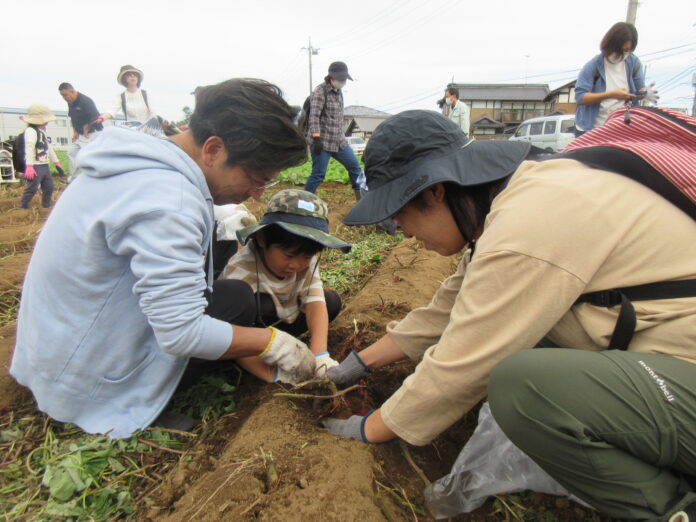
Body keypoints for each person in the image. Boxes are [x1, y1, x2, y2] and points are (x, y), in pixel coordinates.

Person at [322, 110, 696, 521]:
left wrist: (370, 428)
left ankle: (674, 508)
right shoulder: (517, 202)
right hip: (659, 364)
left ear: (436, 192)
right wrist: (358, 364)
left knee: (524, 387)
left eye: (399, 212)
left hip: (681, 376)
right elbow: (447, 311)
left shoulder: (532, 220)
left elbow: (465, 361)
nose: (402, 230)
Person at [11, 79, 314, 439]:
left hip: (54, 349)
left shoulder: (138, 163)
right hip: (84, 378)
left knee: (230, 296)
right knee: (232, 303)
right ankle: (125, 403)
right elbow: (182, 332)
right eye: (256, 178)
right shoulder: (171, 201)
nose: (257, 193)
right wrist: (271, 342)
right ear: (213, 150)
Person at [220, 189, 350, 383]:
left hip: (285, 323)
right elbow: (230, 333)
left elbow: (314, 302)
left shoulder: (305, 261)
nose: (296, 265)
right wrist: (274, 376)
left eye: (306, 257)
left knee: (329, 301)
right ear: (263, 239)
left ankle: (292, 348)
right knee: (252, 301)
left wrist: (320, 356)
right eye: (289, 255)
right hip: (253, 334)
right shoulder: (241, 270)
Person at [575, 22, 646, 135]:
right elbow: (580, 97)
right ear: (612, 45)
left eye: (628, 50)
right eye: (622, 49)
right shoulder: (594, 65)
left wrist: (643, 93)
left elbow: (640, 89)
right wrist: (611, 94)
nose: (625, 53)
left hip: (621, 129)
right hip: (593, 129)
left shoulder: (634, 63)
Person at [304, 61, 362, 199]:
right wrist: (316, 138)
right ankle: (303, 202)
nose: (343, 82)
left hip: (339, 141)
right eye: (340, 79)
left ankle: (363, 199)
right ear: (332, 77)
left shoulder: (339, 92)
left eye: (344, 80)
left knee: (355, 168)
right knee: (318, 174)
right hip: (322, 142)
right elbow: (314, 116)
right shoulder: (320, 91)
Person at [18, 105, 65, 209]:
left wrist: (56, 163)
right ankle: (23, 207)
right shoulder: (31, 131)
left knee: (49, 187)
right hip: (35, 166)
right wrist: (29, 166)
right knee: (32, 188)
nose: (47, 123)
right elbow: (29, 148)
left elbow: (49, 147)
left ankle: (46, 207)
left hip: (44, 165)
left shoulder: (42, 131)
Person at [58, 82, 103, 181]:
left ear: (72, 91)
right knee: (71, 152)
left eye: (65, 95)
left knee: (88, 156)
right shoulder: (70, 103)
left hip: (92, 133)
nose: (64, 98)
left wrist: (88, 127)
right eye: (62, 96)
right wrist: (75, 131)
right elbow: (73, 118)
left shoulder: (85, 101)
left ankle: (92, 177)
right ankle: (74, 178)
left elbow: (96, 117)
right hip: (81, 134)